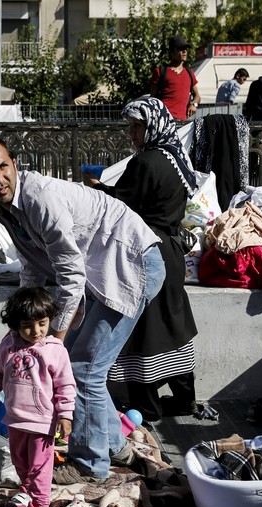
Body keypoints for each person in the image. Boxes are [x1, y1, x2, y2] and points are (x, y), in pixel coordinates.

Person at [0, 136, 165, 485]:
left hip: (133, 264)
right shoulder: (7, 211)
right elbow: (32, 270)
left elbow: (70, 274)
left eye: (2, 167)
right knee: (77, 365)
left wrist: (51, 341)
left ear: (15, 164)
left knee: (82, 369)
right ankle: (114, 445)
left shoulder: (41, 199)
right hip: (99, 274)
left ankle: (90, 466)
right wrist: (19, 329)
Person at [84, 97, 199, 422]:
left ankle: (147, 406)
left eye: (137, 127)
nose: (132, 134)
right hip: (171, 252)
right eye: (131, 127)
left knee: (141, 329)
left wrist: (96, 189)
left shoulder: (145, 162)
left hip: (145, 253)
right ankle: (185, 399)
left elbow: (122, 206)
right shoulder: (175, 157)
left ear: (152, 126)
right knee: (172, 323)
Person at [0, 287, 76, 507]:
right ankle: (26, 490)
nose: (36, 331)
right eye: (27, 325)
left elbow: (66, 385)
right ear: (15, 325)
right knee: (20, 461)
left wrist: (65, 415)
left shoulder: (55, 350)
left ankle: (39, 506)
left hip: (42, 421)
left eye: (42, 323)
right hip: (14, 419)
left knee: (39, 466)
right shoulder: (8, 345)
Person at [150, 35, 201, 120]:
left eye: (186, 49)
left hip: (182, 123)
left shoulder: (190, 73)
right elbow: (152, 99)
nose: (184, 51)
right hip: (163, 121)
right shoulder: (160, 72)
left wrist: (194, 104)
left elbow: (197, 96)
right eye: (181, 49)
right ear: (172, 52)